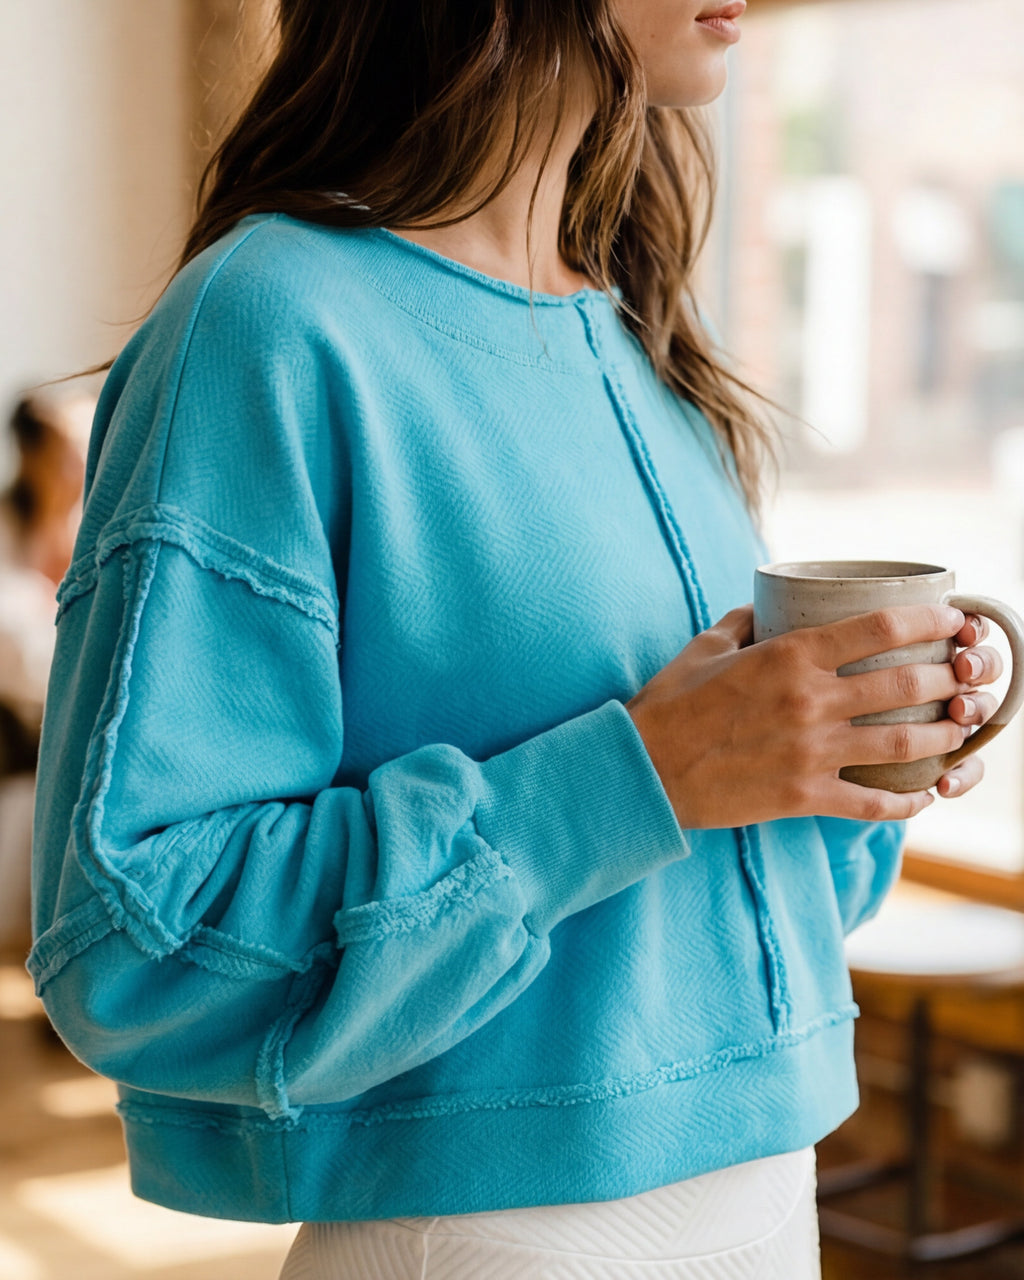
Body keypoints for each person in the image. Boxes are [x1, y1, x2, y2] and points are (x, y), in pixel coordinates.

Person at [29, 2, 1001, 1276]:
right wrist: (636, 775)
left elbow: (735, 884)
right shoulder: (268, 324)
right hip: (488, 1238)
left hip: (768, 1202)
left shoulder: (650, 348)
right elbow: (135, 936)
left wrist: (840, 753)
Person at [0, 392, 91, 949]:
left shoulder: (93, 530)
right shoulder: (10, 530)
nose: (78, 464)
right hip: (19, 737)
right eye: (66, 451)